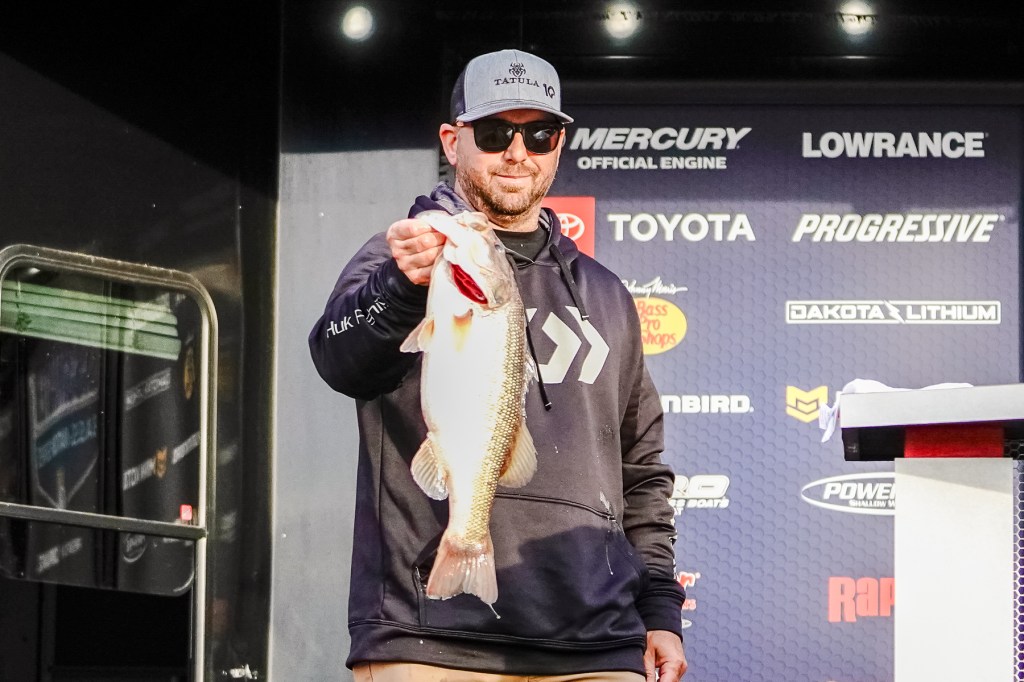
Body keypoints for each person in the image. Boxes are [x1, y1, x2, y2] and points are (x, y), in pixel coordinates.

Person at [309, 48, 688, 682]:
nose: (518, 152)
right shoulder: (403, 259)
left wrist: (659, 610)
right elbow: (337, 360)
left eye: (539, 135)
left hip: (598, 644)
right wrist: (400, 288)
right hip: (430, 638)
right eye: (494, 133)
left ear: (558, 146)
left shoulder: (605, 293)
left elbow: (641, 469)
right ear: (451, 141)